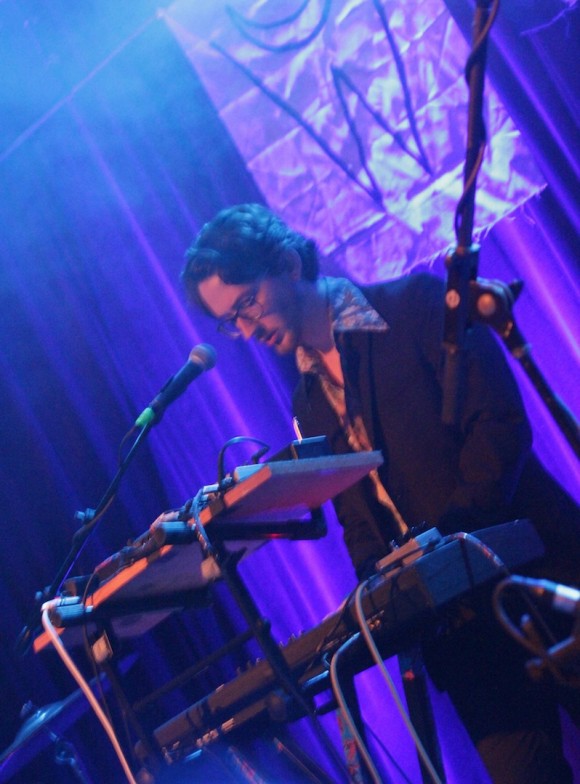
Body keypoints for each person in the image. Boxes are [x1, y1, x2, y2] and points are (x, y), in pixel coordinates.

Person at [181, 202, 580, 784]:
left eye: (247, 304)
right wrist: (382, 588)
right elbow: (356, 517)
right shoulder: (307, 402)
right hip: (461, 629)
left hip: (540, 568)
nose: (245, 330)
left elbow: (498, 426)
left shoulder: (415, 305)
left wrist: (443, 544)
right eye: (230, 321)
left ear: (289, 264)